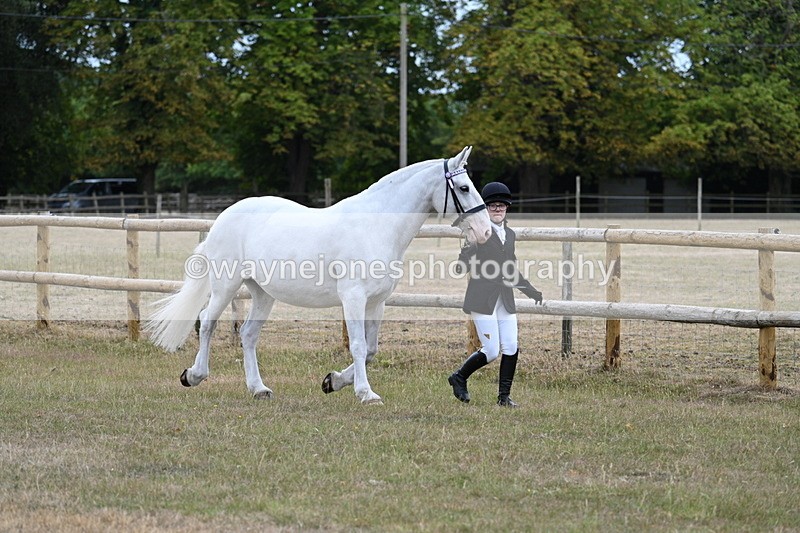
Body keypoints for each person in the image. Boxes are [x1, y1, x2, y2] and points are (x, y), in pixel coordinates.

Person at [448, 182, 543, 407]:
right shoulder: (478, 233)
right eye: (492, 206)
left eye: (502, 205)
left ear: (507, 208)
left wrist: (529, 290)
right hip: (482, 299)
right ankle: (459, 377)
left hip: (505, 299)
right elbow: (461, 269)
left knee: (511, 346)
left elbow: (510, 269)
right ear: (485, 209)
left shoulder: (509, 235)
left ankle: (503, 397)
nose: (498, 209)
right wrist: (468, 249)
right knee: (490, 351)